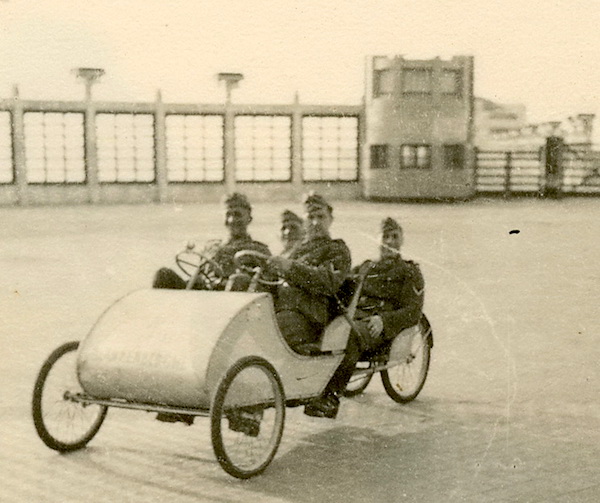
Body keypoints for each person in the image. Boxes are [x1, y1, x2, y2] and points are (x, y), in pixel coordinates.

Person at [305, 216, 425, 419]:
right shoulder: (365, 267)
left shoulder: (409, 271)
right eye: (385, 236)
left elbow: (413, 310)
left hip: (376, 325)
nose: (389, 242)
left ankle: (330, 399)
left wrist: (384, 321)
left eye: (394, 237)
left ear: (401, 240)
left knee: (348, 336)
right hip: (352, 317)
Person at [268, 193, 351, 355]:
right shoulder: (296, 249)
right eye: (310, 217)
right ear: (304, 222)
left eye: (321, 217)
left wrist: (290, 267)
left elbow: (328, 282)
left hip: (309, 318)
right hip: (282, 311)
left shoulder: (336, 250)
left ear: (331, 219)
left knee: (272, 329)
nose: (316, 223)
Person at [152, 192, 271, 291]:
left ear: (249, 218)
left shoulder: (258, 249)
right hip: (205, 294)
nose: (232, 220)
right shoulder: (211, 246)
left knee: (238, 279)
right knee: (163, 275)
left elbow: (267, 284)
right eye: (228, 214)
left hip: (233, 298)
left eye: (237, 215)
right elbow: (198, 275)